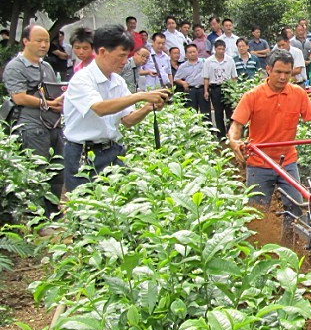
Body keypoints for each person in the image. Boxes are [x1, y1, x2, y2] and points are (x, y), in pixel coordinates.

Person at [63, 24, 169, 191]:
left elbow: (127, 120)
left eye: (127, 56)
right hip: (83, 155)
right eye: (121, 55)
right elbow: (100, 108)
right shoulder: (82, 79)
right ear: (103, 52)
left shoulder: (117, 81)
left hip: (112, 151)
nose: (125, 61)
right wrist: (140, 95)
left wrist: (148, 107)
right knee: (85, 209)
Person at [228, 49, 311, 229]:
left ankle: (290, 244)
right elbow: (236, 126)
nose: (282, 77)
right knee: (256, 211)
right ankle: (257, 249)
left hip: (287, 161)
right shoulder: (253, 96)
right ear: (268, 70)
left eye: (287, 73)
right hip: (259, 162)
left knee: (296, 207)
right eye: (278, 72)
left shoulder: (298, 94)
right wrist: (235, 142)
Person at [2, 25, 65, 215]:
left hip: (53, 124)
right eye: (39, 40)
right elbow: (19, 97)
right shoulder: (16, 67)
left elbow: (53, 91)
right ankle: (37, 216)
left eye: (46, 41)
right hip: (31, 126)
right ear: (25, 41)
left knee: (57, 169)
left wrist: (59, 101)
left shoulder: (46, 66)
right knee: (37, 171)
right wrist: (48, 104)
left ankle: (53, 211)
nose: (44, 45)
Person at [203, 39, 237, 139]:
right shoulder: (209, 61)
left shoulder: (229, 60)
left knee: (229, 112)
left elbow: (234, 77)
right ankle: (221, 135)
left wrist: (234, 90)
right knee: (218, 112)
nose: (221, 51)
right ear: (215, 49)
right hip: (214, 87)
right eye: (219, 49)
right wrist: (206, 91)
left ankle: (231, 133)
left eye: (223, 49)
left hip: (227, 87)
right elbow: (206, 77)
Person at [174, 43, 210, 120]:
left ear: (197, 52)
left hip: (202, 89)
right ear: (186, 54)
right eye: (190, 52)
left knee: (205, 113)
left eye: (194, 52)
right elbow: (176, 78)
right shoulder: (183, 66)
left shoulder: (204, 62)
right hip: (190, 90)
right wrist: (183, 83)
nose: (192, 54)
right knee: (191, 113)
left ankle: (208, 130)